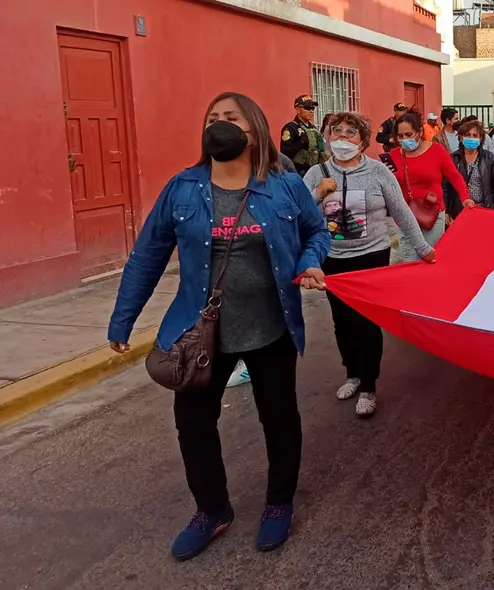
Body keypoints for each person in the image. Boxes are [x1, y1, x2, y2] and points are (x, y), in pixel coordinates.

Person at [108, 92, 331, 560]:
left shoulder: (285, 187)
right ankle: (212, 510)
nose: (220, 125)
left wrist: (311, 262)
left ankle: (278, 504)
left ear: (255, 130)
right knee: (192, 424)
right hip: (200, 332)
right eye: (213, 118)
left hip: (272, 327)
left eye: (231, 118)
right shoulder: (183, 188)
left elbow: (317, 231)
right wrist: (123, 318)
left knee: (280, 418)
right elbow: (148, 255)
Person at [302, 112, 435, 417]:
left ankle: (369, 387)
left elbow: (401, 211)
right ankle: (352, 374)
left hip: (371, 257)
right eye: (337, 132)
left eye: (351, 133)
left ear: (362, 141)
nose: (343, 139)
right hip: (332, 258)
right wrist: (318, 193)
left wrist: (423, 248)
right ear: (327, 137)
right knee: (342, 321)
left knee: (366, 322)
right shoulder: (315, 173)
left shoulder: (377, 172)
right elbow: (299, 216)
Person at [389, 111, 472, 260]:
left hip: (432, 213)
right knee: (410, 262)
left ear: (419, 132)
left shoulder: (436, 150)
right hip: (405, 216)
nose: (404, 139)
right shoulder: (393, 156)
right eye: (400, 136)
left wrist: (465, 197)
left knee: (433, 259)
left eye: (408, 134)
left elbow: (454, 176)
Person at [446, 119, 494, 217]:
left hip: (485, 209)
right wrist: (446, 212)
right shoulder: (453, 159)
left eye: (475, 135)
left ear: (481, 138)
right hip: (460, 211)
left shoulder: (489, 158)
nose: (471, 138)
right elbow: (445, 187)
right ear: (460, 138)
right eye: (467, 135)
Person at [280, 95, 329, 176]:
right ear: (297, 109)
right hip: (297, 171)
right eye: (307, 108)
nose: (311, 111)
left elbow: (320, 149)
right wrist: (301, 143)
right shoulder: (290, 128)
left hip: (314, 170)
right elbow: (284, 152)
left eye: (312, 108)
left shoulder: (313, 128)